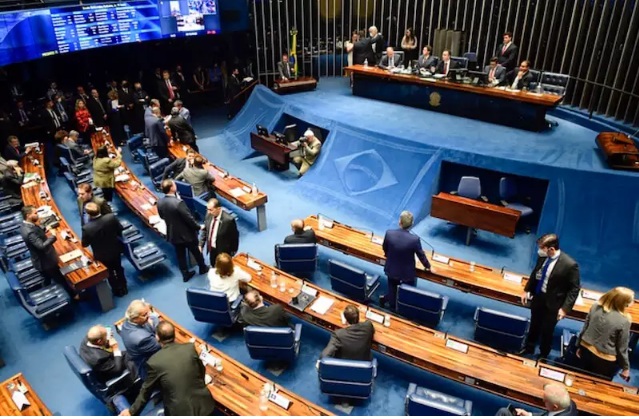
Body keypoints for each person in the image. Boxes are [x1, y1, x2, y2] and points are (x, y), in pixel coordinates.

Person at [119, 322, 216, 416]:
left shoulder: (154, 362)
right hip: (206, 405)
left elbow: (146, 390)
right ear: (174, 333)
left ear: (157, 337)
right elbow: (201, 370)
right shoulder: (189, 348)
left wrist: (131, 411)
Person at [521, 234, 580, 358]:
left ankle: (543, 354)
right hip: (539, 297)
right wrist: (527, 290)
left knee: (547, 330)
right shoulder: (543, 257)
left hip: (554, 302)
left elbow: (574, 289)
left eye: (542, 248)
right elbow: (535, 273)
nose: (539, 251)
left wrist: (565, 308)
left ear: (551, 249)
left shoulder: (569, 264)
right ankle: (528, 348)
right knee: (534, 325)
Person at [20, 206, 77, 298]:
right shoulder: (29, 232)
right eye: (35, 213)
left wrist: (46, 228)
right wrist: (53, 236)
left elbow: (36, 230)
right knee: (60, 278)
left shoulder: (26, 225)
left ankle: (45, 286)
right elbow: (41, 246)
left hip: (41, 259)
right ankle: (74, 296)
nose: (37, 215)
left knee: (47, 277)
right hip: (45, 262)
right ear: (28, 215)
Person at [576, 287, 633, 380]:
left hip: (586, 349)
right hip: (604, 360)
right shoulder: (624, 320)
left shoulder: (595, 306)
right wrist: (625, 367)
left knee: (581, 378)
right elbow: (622, 347)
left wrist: (579, 345)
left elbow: (585, 328)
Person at [157, 180, 208, 282]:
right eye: (174, 184)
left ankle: (185, 274)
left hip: (173, 233)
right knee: (196, 252)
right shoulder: (179, 203)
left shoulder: (159, 202)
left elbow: (162, 216)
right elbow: (189, 219)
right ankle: (203, 268)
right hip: (187, 234)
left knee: (180, 255)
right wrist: (198, 227)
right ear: (171, 188)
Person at [379, 211, 431, 310]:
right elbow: (421, 255)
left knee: (392, 289)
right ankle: (405, 307)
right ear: (412, 224)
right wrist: (427, 266)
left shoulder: (389, 234)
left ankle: (391, 304)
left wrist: (388, 255)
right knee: (408, 291)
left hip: (392, 269)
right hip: (407, 273)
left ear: (399, 222)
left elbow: (385, 248)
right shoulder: (414, 239)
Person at [81, 202, 128, 297]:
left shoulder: (87, 228)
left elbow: (85, 244)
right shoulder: (111, 217)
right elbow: (120, 228)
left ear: (88, 214)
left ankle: (116, 290)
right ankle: (124, 287)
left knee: (109, 273)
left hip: (101, 255)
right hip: (115, 249)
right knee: (119, 268)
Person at [120, 300, 161, 380]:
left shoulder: (127, 323)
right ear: (135, 318)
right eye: (145, 315)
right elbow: (162, 344)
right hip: (151, 370)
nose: (148, 316)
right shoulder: (142, 339)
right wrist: (156, 321)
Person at [200, 198, 239, 266]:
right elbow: (206, 229)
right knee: (213, 265)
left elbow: (235, 237)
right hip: (212, 249)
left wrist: (232, 252)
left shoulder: (228, 220)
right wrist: (201, 244)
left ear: (219, 209)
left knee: (223, 269)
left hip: (223, 252)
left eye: (211, 210)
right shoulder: (209, 214)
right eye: (207, 209)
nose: (208, 212)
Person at [496, 383, 577, 416]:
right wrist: (529, 415)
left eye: (545, 401)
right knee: (504, 411)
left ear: (555, 407)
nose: (543, 401)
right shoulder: (569, 404)